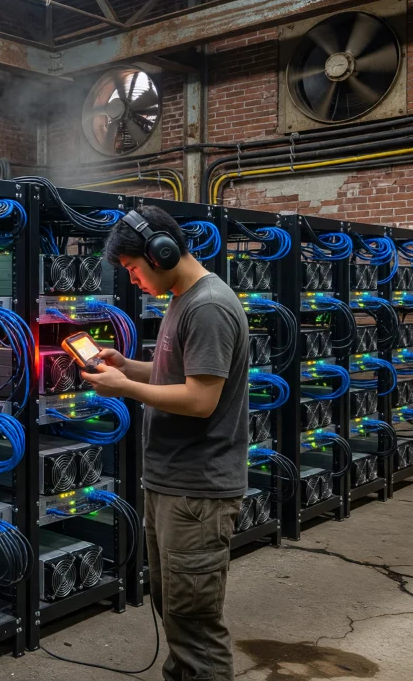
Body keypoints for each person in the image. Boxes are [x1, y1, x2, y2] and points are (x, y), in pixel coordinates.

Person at [79, 205, 250, 681]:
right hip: (171, 483)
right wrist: (127, 365)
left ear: (162, 252)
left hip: (198, 490)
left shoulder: (208, 306)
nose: (132, 279)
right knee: (174, 606)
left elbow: (199, 400)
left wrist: (125, 389)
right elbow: (175, 375)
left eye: (133, 268)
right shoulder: (183, 298)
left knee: (194, 622)